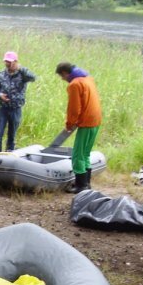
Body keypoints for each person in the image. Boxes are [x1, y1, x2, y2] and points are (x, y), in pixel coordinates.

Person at [55, 62, 102, 194]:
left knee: (78, 155)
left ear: (64, 73)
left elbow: (74, 108)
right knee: (86, 153)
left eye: (61, 76)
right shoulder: (88, 79)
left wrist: (70, 124)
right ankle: (86, 183)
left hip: (86, 122)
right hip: (96, 120)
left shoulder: (75, 84)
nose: (62, 79)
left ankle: (81, 185)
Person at [0, 51, 36, 152]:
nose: (8, 64)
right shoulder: (1, 74)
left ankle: (9, 155)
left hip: (16, 109)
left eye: (10, 62)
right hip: (2, 108)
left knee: (11, 136)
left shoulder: (22, 74)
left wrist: (21, 69)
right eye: (6, 61)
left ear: (16, 62)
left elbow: (33, 78)